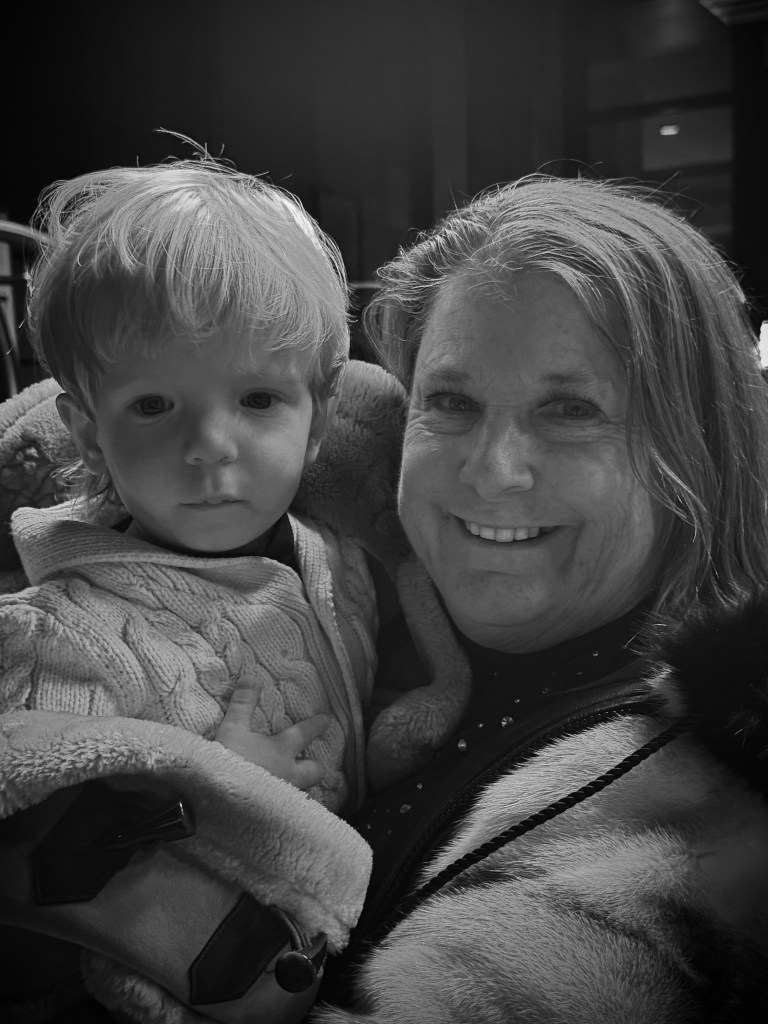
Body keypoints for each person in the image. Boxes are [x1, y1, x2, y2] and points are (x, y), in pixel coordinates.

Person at [311, 174, 768, 1022]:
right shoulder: (327, 616)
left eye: (570, 409)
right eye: (451, 401)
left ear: (695, 452)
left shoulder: (708, 824)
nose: (493, 471)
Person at [0, 150, 387, 1023]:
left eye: (257, 399)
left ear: (319, 417)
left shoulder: (343, 559)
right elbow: (43, 881)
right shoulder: (62, 638)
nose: (210, 446)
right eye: (152, 405)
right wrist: (217, 796)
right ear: (87, 432)